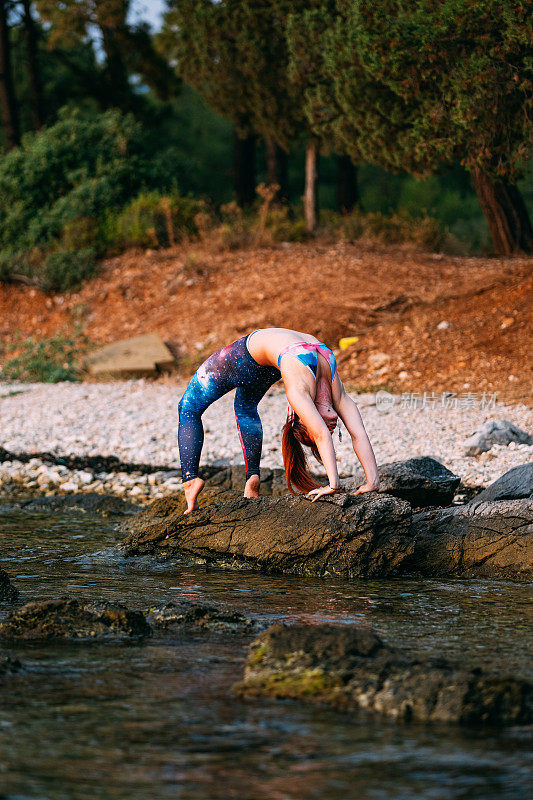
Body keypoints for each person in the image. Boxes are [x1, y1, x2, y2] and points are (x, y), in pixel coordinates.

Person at [177, 327, 380, 514]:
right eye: (326, 429)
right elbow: (328, 434)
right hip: (273, 356)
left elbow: (350, 433)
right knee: (244, 408)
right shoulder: (331, 390)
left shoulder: (300, 391)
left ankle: (191, 480)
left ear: (304, 419)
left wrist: (369, 482)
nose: (331, 429)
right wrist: (336, 484)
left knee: (188, 407)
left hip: (251, 355)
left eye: (319, 428)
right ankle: (251, 478)